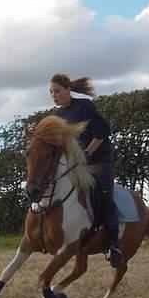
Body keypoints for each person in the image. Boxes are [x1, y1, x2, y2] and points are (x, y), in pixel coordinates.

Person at [49, 73, 124, 268]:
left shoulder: (84, 106)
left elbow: (102, 132)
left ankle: (114, 245)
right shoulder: (57, 116)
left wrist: (87, 154)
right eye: (51, 92)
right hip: (76, 164)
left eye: (57, 91)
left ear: (68, 90)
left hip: (99, 161)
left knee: (104, 198)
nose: (54, 95)